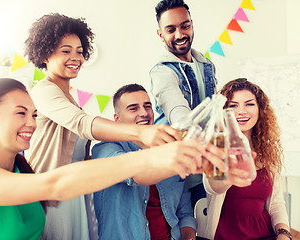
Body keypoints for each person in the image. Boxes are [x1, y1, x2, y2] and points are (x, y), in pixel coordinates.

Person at [0, 78, 224, 240]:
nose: (31, 122)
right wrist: (155, 154)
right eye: (20, 113)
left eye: (34, 114)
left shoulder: (21, 172)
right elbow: (56, 184)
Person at [23, 13, 185, 240]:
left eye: (79, 51)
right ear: (45, 53)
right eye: (65, 50)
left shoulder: (67, 96)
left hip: (74, 194)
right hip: (51, 197)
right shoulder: (44, 90)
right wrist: (142, 132)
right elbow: (82, 124)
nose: (75, 57)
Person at [92, 83, 227, 240]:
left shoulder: (171, 147)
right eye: (133, 108)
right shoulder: (104, 150)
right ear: (117, 119)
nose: (144, 112)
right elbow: (136, 174)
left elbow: (185, 213)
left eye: (147, 106)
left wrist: (189, 235)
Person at [203, 78, 291, 240]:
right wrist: (233, 170)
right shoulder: (217, 144)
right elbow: (213, 188)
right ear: (223, 111)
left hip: (265, 234)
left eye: (249, 104)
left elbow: (277, 205)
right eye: (233, 106)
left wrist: (284, 234)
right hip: (224, 236)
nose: (241, 111)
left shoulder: (267, 150)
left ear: (260, 109)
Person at [150, 0, 218, 208]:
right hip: (176, 173)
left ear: (191, 24)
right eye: (171, 29)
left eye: (185, 26)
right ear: (160, 34)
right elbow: (178, 112)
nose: (180, 34)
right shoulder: (162, 71)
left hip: (209, 167)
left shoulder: (206, 64)